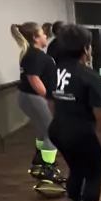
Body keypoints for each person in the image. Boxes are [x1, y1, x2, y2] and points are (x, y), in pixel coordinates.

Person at [48, 24, 101, 201]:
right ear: (85, 49)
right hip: (80, 133)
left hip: (57, 130)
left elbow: (51, 102)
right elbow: (100, 112)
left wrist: (63, 120)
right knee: (94, 173)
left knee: (77, 169)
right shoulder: (88, 75)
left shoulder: (54, 71)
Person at [10, 22, 65, 187]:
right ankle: (48, 169)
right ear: (35, 37)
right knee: (52, 131)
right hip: (34, 97)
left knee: (42, 129)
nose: (45, 36)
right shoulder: (35, 55)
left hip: (28, 97)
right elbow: (34, 79)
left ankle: (40, 159)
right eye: (42, 34)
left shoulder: (30, 54)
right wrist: (48, 97)